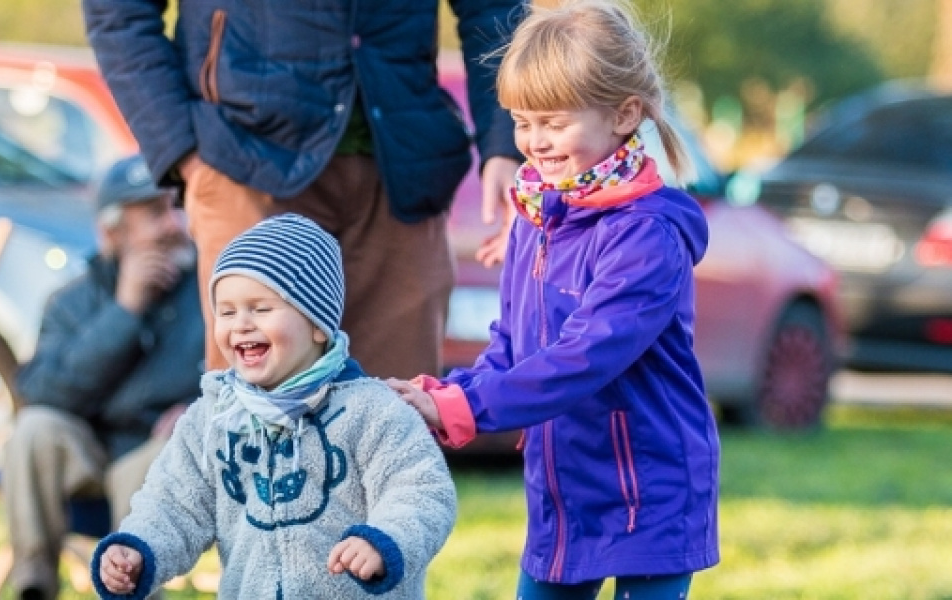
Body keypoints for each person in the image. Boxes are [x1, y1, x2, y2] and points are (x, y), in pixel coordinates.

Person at [387, 1, 720, 598]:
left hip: (651, 493)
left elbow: (582, 359)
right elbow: (510, 349)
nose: (533, 142)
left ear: (624, 114)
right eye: (521, 121)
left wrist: (465, 410)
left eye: (554, 122)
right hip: (564, 491)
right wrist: (448, 395)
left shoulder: (645, 237)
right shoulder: (534, 218)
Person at [84, 0, 525, 379]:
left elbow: (495, 9)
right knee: (257, 422)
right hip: (243, 158)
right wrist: (182, 148)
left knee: (400, 414)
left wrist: (504, 141)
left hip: (403, 165)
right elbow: (119, 11)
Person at [91, 214, 457, 600]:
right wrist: (137, 547)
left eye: (261, 308)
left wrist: (385, 540)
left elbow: (421, 490)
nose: (241, 324)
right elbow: (174, 503)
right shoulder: (214, 418)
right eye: (227, 312)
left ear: (317, 324)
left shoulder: (371, 411)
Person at [3, 155, 204, 600]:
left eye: (177, 206)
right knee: (33, 429)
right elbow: (43, 393)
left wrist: (199, 412)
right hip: (87, 454)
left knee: (155, 463)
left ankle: (130, 592)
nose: (174, 224)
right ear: (112, 234)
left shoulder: (213, 292)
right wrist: (125, 310)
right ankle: (33, 587)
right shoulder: (71, 302)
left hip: (161, 451)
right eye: (154, 214)